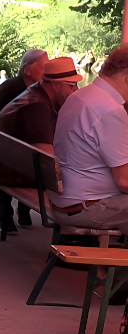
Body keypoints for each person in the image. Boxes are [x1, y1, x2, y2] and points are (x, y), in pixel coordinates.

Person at [0, 57, 82, 233]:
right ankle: (76, 236)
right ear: (56, 85)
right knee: (86, 184)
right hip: (5, 170)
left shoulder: (35, 94)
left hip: (1, 162)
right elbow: (47, 163)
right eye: (71, 85)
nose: (76, 91)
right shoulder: (37, 107)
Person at [49, 46, 128, 234]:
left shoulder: (81, 96)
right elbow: (124, 181)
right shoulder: (109, 110)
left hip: (66, 199)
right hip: (87, 206)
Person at [0, 49, 48, 125]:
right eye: (43, 67)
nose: (47, 71)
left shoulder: (42, 91)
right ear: (28, 69)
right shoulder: (10, 87)